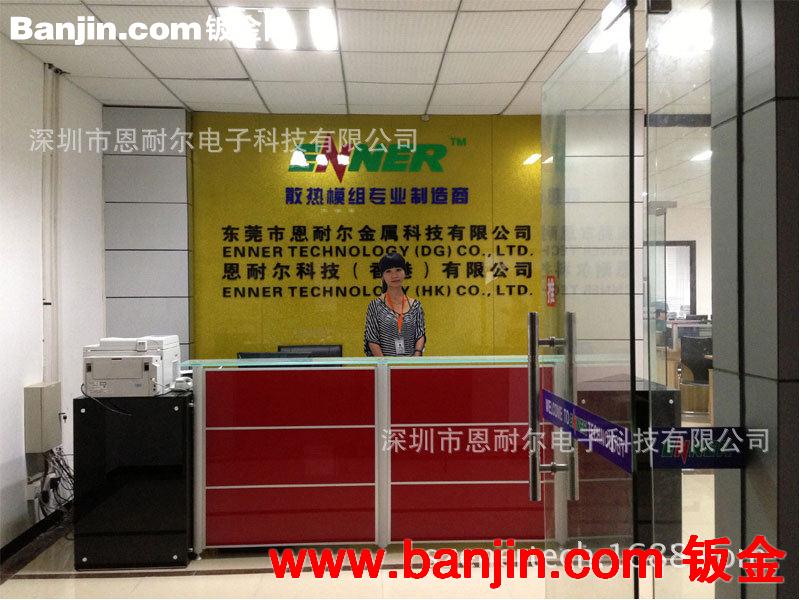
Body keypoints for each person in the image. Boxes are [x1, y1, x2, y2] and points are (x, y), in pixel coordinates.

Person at [364, 252, 426, 357]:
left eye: (398, 270)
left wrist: (416, 359)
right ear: (382, 276)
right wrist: (385, 363)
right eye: (388, 271)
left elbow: (420, 334)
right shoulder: (375, 305)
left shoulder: (416, 305)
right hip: (385, 364)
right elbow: (372, 338)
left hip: (411, 363)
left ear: (405, 272)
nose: (394, 275)